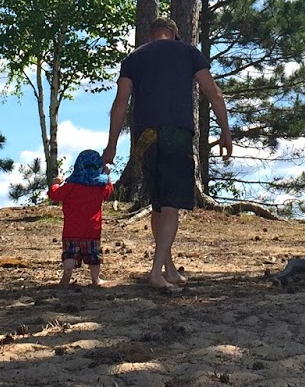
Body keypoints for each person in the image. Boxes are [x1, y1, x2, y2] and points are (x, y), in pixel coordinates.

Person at [103, 16, 231, 290]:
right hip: (176, 135)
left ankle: (168, 269)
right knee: (171, 206)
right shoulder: (188, 52)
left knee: (159, 205)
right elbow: (213, 92)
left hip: (145, 137)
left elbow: (120, 103)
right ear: (173, 34)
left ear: (151, 35)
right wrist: (225, 131)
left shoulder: (134, 58)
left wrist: (111, 146)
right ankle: (155, 273)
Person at [48, 149, 113, 286]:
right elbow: (109, 191)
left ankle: (66, 278)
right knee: (94, 256)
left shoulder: (71, 186)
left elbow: (54, 195)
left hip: (71, 230)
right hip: (92, 230)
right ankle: (96, 279)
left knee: (69, 255)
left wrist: (55, 183)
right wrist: (107, 176)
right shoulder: (100, 187)